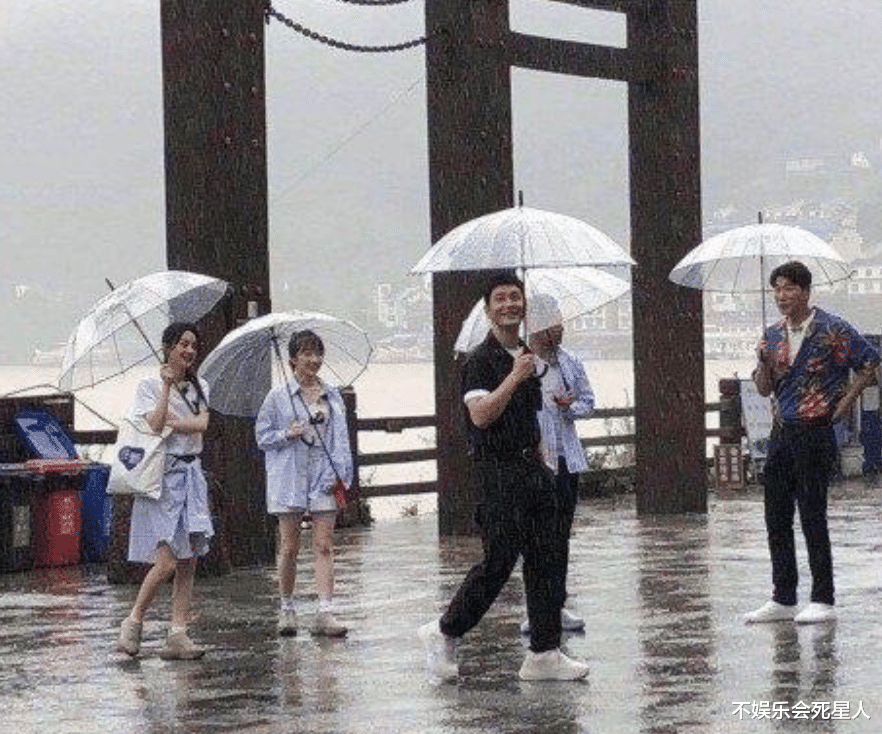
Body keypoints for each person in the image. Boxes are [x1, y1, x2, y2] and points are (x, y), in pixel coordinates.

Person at [418, 272, 589, 682]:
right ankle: (445, 629)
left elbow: (534, 417)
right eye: (501, 299)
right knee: (498, 561)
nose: (510, 304)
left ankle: (544, 652)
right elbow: (480, 415)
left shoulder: (530, 355)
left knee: (547, 556)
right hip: (497, 471)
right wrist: (514, 377)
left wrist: (543, 458)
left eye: (516, 297)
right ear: (488, 308)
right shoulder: (481, 361)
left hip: (533, 469)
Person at [745, 260, 879, 625]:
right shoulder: (772, 335)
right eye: (776, 289)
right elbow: (763, 388)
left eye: (788, 288)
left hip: (816, 430)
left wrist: (846, 401)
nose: (781, 296)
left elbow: (871, 363)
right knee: (775, 514)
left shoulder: (832, 329)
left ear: (805, 291)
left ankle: (823, 597)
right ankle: (783, 596)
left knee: (812, 514)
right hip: (782, 431)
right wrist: (762, 361)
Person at [116, 322, 214, 660]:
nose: (188, 350)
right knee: (168, 561)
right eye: (182, 344)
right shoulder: (148, 385)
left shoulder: (201, 385)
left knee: (189, 557)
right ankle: (133, 621)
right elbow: (154, 424)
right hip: (163, 477)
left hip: (192, 474)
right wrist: (166, 389)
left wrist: (174, 422)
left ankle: (178, 631)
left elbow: (202, 425)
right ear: (167, 347)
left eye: (192, 345)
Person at [255, 329, 353, 638]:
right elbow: (262, 437)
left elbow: (341, 439)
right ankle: (287, 607)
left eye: (317, 353)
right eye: (306, 353)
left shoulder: (332, 394)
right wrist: (288, 433)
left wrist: (342, 474)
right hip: (290, 477)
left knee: (324, 545)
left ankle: (325, 612)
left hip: (324, 476)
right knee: (289, 547)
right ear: (293, 358)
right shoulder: (278, 397)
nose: (313, 360)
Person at [523, 295, 595, 635]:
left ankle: (558, 602)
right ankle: (536, 606)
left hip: (567, 458)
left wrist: (570, 405)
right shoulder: (522, 366)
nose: (559, 329)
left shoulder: (570, 362)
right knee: (536, 536)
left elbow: (589, 402)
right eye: (553, 323)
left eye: (560, 322)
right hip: (537, 461)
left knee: (561, 534)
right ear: (536, 326)